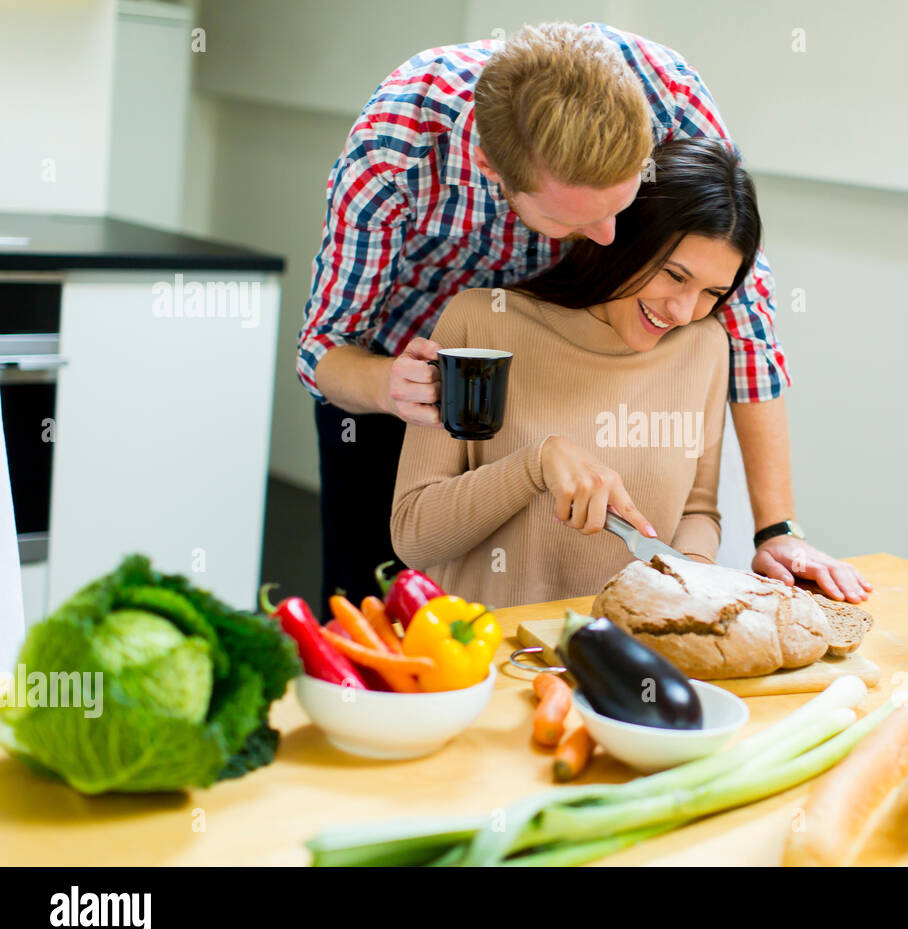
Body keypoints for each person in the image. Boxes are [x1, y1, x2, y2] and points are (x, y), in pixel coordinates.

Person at [300, 21, 871, 613]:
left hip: (579, 339)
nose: (608, 237)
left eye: (622, 206)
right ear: (494, 170)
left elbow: (746, 311)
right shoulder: (395, 144)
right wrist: (390, 385)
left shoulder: (666, 93)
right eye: (578, 221)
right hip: (408, 367)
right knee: (365, 610)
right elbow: (324, 347)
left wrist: (776, 528)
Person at [391, 138, 750, 606]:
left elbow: (698, 511)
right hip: (484, 660)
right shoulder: (482, 323)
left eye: (713, 292)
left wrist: (693, 573)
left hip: (624, 658)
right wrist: (534, 464)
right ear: (623, 238)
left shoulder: (704, 345)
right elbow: (413, 535)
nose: (684, 311)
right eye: (674, 276)